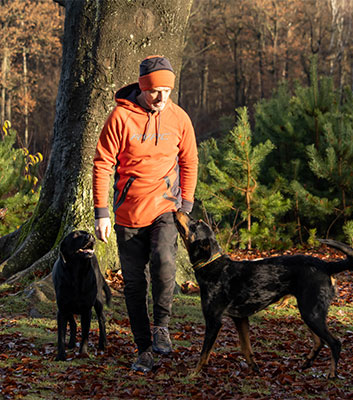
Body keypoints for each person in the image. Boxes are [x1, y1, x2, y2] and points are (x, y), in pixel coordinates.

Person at [92, 55, 198, 373]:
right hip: (127, 214)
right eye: (155, 91)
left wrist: (186, 207)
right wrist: (102, 213)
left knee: (165, 259)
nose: (162, 97)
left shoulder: (179, 118)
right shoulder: (120, 118)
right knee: (135, 284)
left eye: (167, 90)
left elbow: (190, 160)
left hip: (165, 207)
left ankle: (162, 327)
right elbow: (102, 163)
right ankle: (143, 349)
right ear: (142, 88)